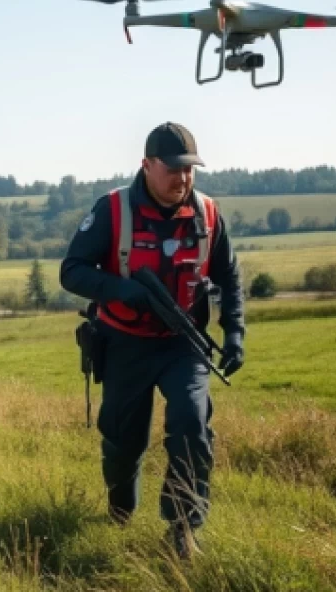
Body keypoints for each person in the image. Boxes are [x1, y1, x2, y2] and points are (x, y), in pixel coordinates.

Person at [60, 122, 245, 558]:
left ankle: (183, 528)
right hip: (125, 342)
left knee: (191, 425)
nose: (183, 178)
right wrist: (124, 291)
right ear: (147, 165)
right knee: (124, 442)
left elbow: (229, 276)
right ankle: (121, 507)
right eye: (174, 168)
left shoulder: (208, 213)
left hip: (184, 342)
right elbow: (72, 271)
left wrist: (235, 331)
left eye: (190, 169)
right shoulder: (112, 210)